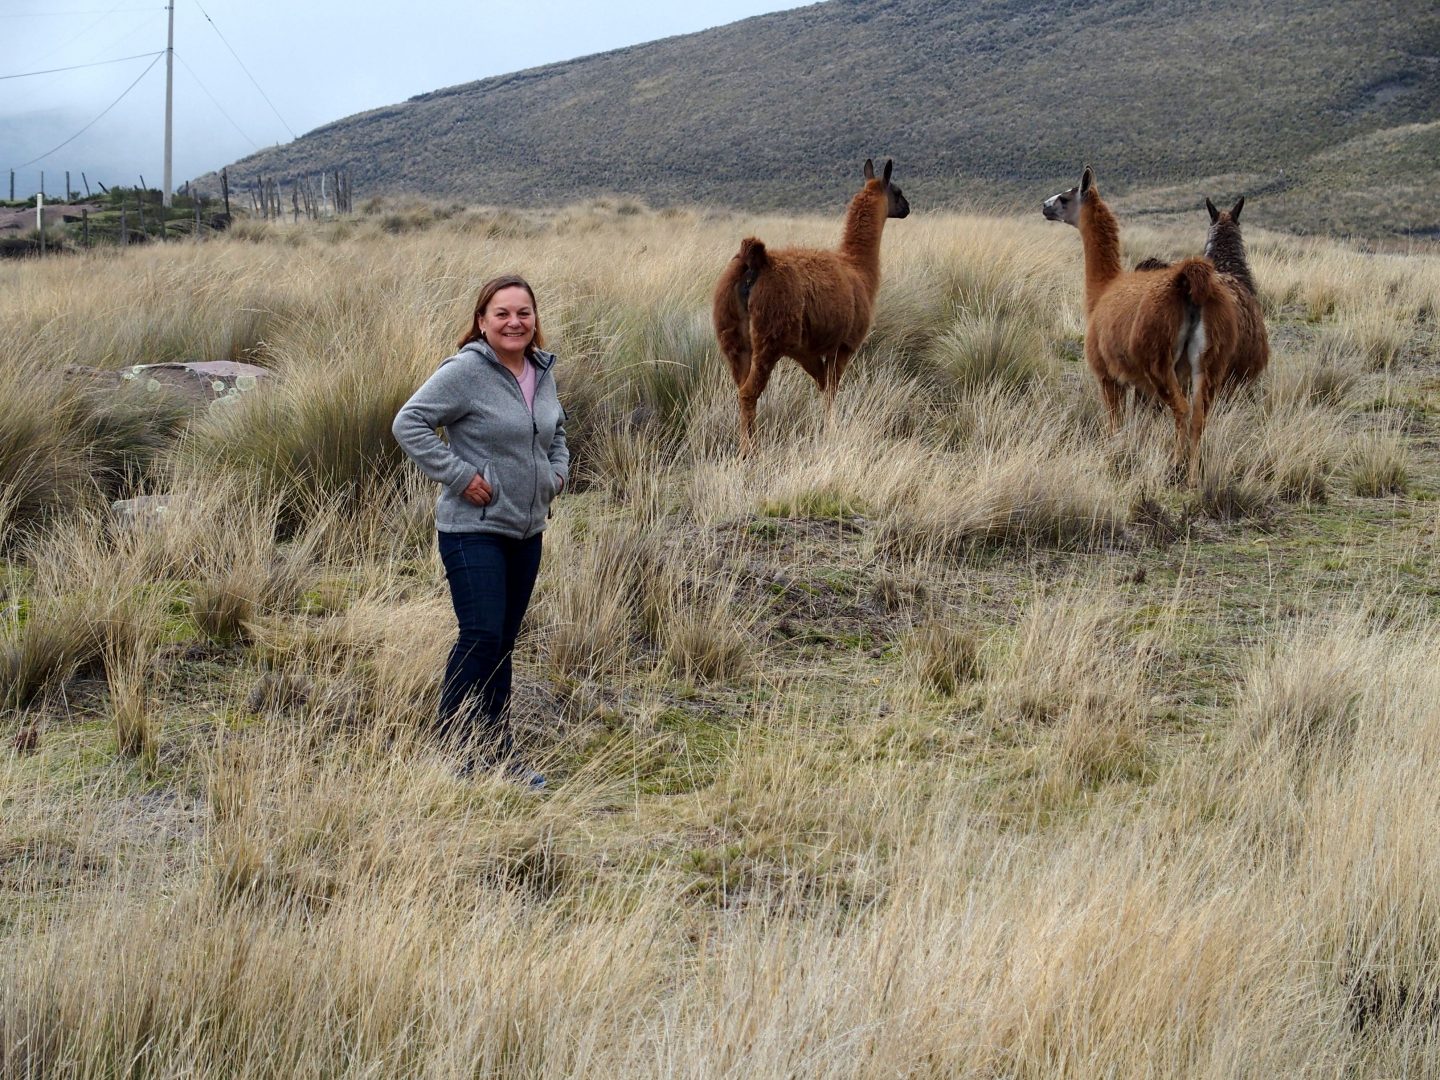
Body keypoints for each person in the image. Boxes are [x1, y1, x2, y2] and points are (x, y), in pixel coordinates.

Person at [392, 275, 568, 786]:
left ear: (535, 320)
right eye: (502, 313)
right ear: (481, 321)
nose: (514, 322)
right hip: (473, 528)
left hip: (527, 526)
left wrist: (558, 473)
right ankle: (451, 749)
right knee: (481, 634)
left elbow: (557, 431)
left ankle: (496, 748)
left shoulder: (542, 369)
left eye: (523, 313)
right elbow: (410, 422)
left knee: (505, 642)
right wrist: (460, 475)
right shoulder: (466, 371)